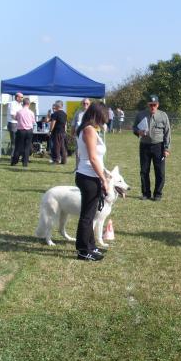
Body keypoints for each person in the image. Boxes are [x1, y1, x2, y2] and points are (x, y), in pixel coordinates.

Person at [75, 102, 109, 261]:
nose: (105, 120)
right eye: (103, 117)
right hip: (88, 176)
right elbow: (93, 158)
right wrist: (104, 179)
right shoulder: (88, 130)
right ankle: (83, 250)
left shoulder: (90, 129)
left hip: (90, 175)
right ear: (97, 115)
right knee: (87, 216)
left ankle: (91, 246)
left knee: (90, 213)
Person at [133, 94, 171, 201]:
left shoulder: (163, 115)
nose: (152, 107)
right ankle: (146, 193)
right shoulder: (141, 115)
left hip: (158, 146)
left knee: (160, 172)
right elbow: (134, 128)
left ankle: (158, 194)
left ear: (158, 105)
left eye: (154, 105)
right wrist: (138, 131)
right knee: (144, 171)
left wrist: (167, 148)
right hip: (144, 145)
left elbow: (167, 132)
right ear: (148, 105)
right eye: (151, 105)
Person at [10, 97, 36, 167]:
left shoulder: (19, 112)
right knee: (27, 147)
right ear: (29, 104)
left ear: (22, 103)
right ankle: (25, 163)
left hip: (21, 131)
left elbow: (16, 118)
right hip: (29, 131)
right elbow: (33, 122)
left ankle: (14, 161)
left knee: (18, 147)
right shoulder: (31, 112)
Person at [71, 98, 91, 170]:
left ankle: (89, 168)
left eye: (87, 103)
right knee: (78, 152)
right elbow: (73, 124)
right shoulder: (78, 112)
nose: (85, 105)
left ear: (89, 104)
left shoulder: (92, 113)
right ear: (81, 104)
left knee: (89, 152)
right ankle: (77, 168)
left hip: (89, 135)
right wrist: (72, 134)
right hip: (79, 135)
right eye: (84, 103)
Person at [49, 100, 68, 164]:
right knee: (62, 146)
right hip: (62, 132)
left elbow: (53, 123)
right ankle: (64, 160)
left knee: (56, 146)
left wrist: (50, 131)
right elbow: (65, 124)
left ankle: (56, 160)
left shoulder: (55, 113)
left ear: (57, 106)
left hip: (57, 132)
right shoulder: (64, 114)